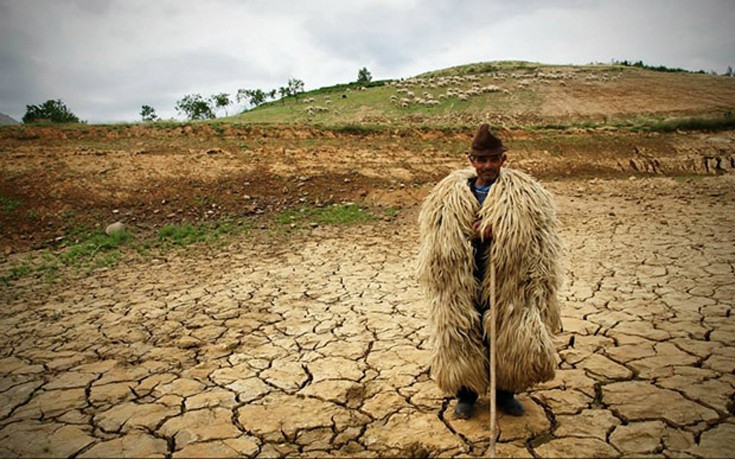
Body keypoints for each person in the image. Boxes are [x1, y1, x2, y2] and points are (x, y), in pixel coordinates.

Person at [417, 123, 563, 419]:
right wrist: (466, 235)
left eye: (493, 159)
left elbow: (540, 237)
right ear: (470, 160)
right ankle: (466, 394)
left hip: (508, 278)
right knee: (462, 333)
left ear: (503, 160)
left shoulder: (525, 195)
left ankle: (504, 392)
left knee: (507, 334)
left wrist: (504, 232)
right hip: (464, 277)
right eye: (480, 160)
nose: (487, 166)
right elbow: (435, 237)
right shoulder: (448, 195)